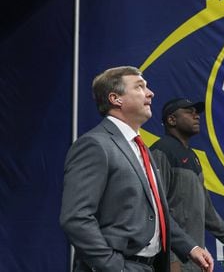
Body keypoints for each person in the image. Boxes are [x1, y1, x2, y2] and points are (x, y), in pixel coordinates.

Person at [59, 66, 214, 272]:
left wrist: (190, 247)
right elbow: (76, 218)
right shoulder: (95, 145)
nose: (150, 93)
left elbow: (157, 213)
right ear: (116, 99)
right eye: (140, 87)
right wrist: (114, 267)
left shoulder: (142, 149)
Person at [150, 98, 224, 272]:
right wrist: (170, 260)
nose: (196, 116)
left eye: (197, 112)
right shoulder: (161, 151)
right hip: (173, 261)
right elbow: (155, 210)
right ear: (172, 120)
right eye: (188, 111)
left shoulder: (193, 157)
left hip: (194, 258)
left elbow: (206, 208)